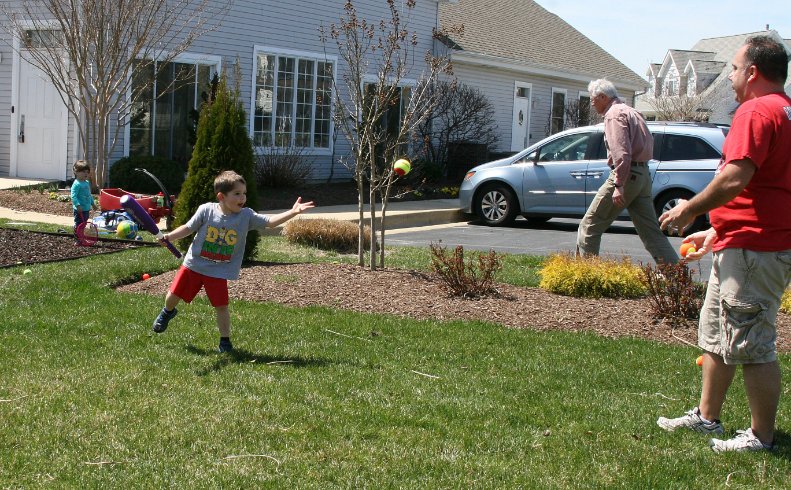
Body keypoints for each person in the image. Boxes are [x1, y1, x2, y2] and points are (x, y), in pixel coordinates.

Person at [656, 35, 791, 452]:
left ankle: (760, 437)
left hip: (755, 249)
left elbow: (736, 178)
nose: (730, 77)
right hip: (748, 241)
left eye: (733, 69)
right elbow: (768, 188)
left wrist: (689, 210)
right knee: (717, 334)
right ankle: (707, 417)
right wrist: (715, 231)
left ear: (752, 73)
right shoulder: (784, 111)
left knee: (751, 342)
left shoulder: (755, 110)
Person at [151, 170, 314, 353]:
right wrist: (169, 237)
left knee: (221, 306)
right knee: (173, 296)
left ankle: (225, 341)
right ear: (221, 196)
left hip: (218, 271)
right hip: (194, 264)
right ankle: (167, 312)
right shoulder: (206, 210)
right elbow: (188, 228)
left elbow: (270, 222)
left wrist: (293, 212)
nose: (242, 198)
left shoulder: (246, 216)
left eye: (244, 193)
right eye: (237, 194)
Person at [576, 79, 678, 265]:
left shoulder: (614, 115)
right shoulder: (632, 112)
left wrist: (619, 185)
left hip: (626, 175)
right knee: (650, 231)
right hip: (643, 176)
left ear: (603, 97)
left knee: (589, 226)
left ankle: (586, 278)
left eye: (593, 99)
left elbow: (621, 154)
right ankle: (678, 280)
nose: (592, 103)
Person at [70, 160, 98, 235]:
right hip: (79, 209)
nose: (86, 174)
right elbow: (73, 196)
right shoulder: (76, 184)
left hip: (86, 208)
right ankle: (78, 239)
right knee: (79, 224)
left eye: (87, 172)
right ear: (76, 172)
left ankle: (81, 237)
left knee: (84, 224)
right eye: (83, 172)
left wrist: (93, 204)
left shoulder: (86, 183)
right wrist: (78, 205)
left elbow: (89, 195)